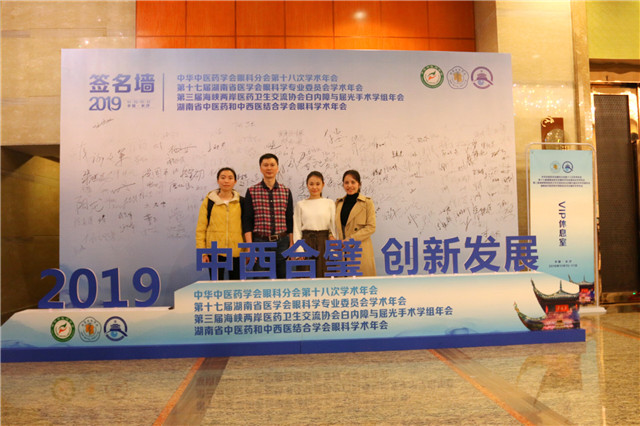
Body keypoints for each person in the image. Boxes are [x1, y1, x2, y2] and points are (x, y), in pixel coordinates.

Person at [243, 153, 294, 279]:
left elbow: (289, 219)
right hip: (260, 243)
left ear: (277, 168)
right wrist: (249, 247)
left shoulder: (286, 191)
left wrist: (292, 243)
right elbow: (247, 221)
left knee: (283, 280)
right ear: (260, 168)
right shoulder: (252, 191)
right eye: (265, 165)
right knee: (261, 281)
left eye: (272, 165)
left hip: (282, 243)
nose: (269, 168)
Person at [195, 167, 244, 280]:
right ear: (218, 180)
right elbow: (201, 228)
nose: (226, 181)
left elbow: (246, 228)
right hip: (214, 251)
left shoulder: (241, 202)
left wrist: (246, 250)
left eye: (230, 178)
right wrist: (203, 252)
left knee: (236, 286)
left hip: (236, 252)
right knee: (216, 285)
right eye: (223, 177)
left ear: (235, 181)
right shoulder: (209, 201)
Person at [293, 171, 337, 278]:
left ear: (323, 184)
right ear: (307, 185)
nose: (314, 187)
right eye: (311, 184)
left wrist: (333, 250)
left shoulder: (330, 203)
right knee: (306, 276)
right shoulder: (300, 205)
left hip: (324, 243)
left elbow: (333, 228)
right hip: (306, 243)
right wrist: (299, 250)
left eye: (318, 184)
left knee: (325, 275)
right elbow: (297, 229)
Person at [335, 170, 377, 276]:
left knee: (362, 284)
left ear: (359, 184)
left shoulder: (367, 203)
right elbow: (334, 226)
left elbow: (371, 227)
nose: (350, 185)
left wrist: (350, 240)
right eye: (346, 182)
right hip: (342, 252)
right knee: (344, 284)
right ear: (343, 184)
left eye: (353, 182)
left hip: (360, 250)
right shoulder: (338, 203)